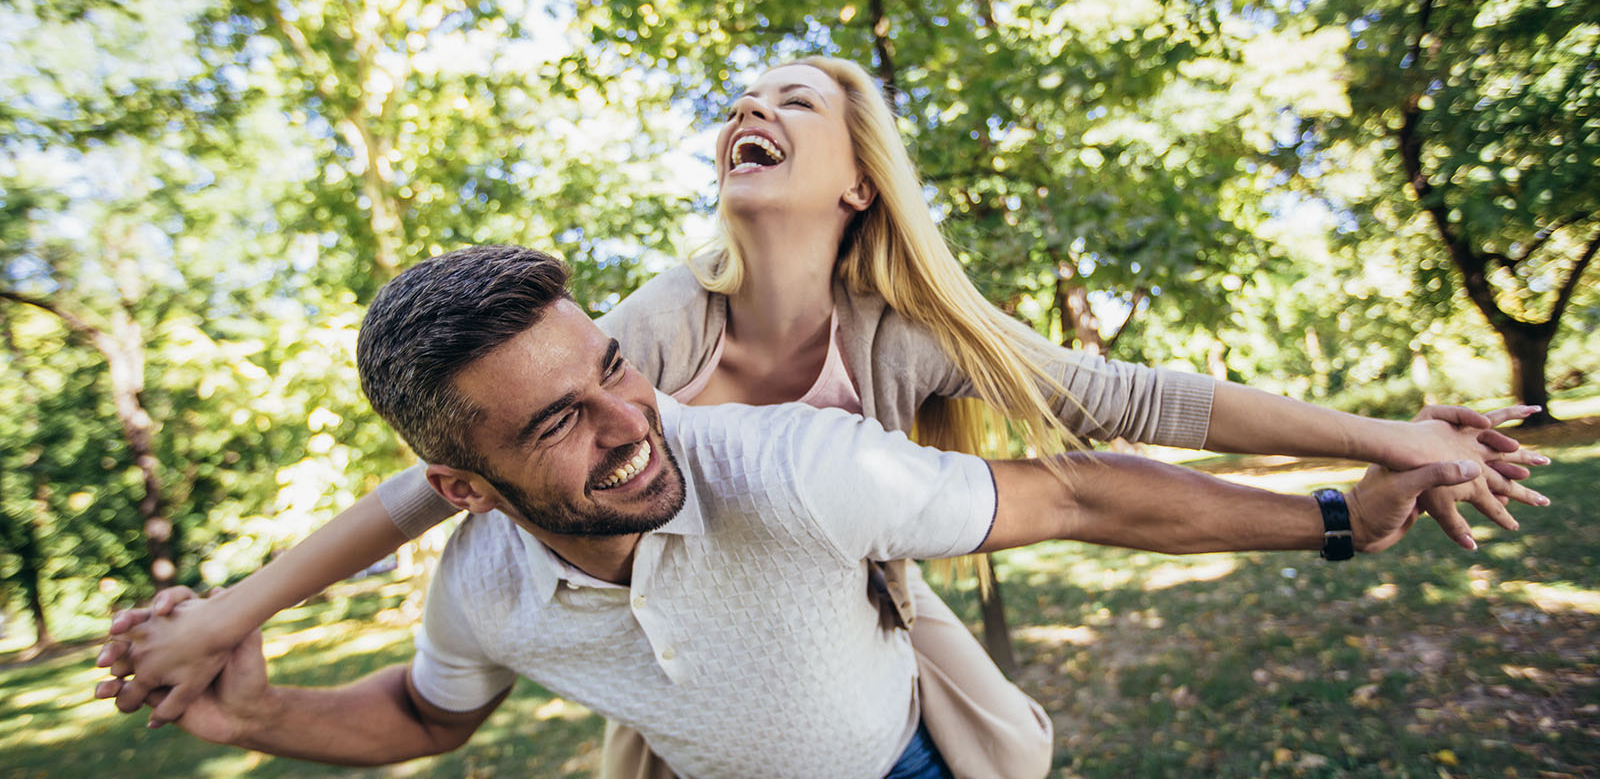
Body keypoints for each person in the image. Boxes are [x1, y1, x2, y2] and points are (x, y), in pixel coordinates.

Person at [98, 58, 1543, 778]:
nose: (756, 104)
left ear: (858, 176)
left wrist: (1380, 450)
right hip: (677, 666)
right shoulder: (663, 321)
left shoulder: (898, 342)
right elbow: (438, 490)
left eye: (798, 98)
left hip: (856, 624)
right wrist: (234, 614)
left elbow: (1122, 424)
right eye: (742, 95)